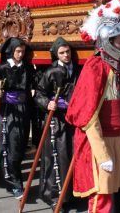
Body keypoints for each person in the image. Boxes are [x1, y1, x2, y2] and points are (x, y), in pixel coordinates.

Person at [66, 18, 120, 213]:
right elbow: (88, 117)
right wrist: (102, 153)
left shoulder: (117, 69)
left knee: (112, 193)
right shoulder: (95, 67)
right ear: (108, 42)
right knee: (101, 197)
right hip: (98, 142)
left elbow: (119, 110)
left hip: (116, 138)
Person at [34, 37, 81, 211]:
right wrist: (47, 103)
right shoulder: (51, 72)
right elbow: (38, 93)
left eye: (68, 51)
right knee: (56, 157)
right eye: (62, 53)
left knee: (71, 157)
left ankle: (70, 194)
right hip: (56, 121)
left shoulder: (77, 70)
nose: (66, 55)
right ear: (56, 54)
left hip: (72, 120)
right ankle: (54, 196)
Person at [0, 37, 32, 199]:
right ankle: (15, 184)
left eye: (23, 52)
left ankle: (12, 179)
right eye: (18, 51)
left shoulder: (28, 68)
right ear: (12, 51)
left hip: (24, 111)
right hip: (8, 112)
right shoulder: (2, 69)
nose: (21, 54)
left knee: (20, 148)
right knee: (9, 149)